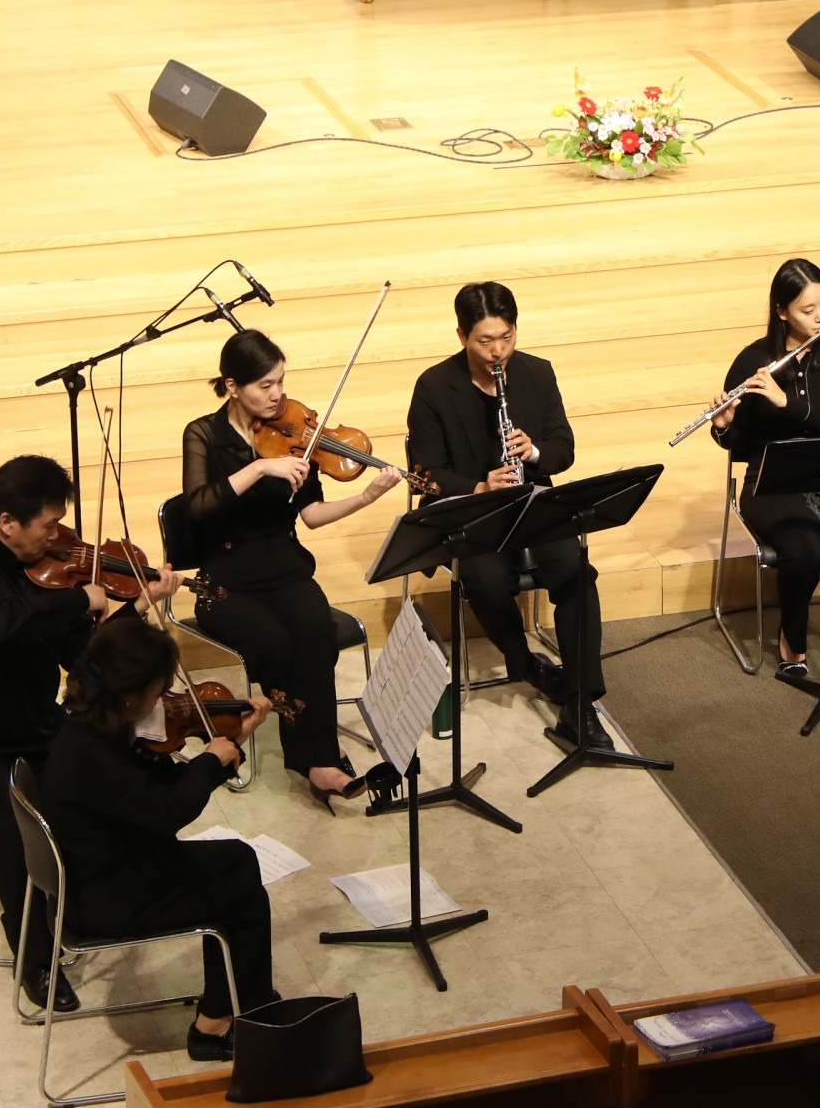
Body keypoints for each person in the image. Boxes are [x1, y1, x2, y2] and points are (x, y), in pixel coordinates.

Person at [0, 453, 181, 1010]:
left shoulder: (44, 573)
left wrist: (135, 606)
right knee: (23, 818)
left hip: (36, 730)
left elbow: (85, 658)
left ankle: (124, 895)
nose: (58, 538)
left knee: (119, 770)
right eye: (48, 525)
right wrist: (78, 598)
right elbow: (5, 623)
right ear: (6, 522)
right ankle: (34, 958)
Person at [182, 328, 407, 807]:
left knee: (315, 630)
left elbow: (312, 515)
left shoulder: (294, 434)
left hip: (284, 570)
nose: (277, 394)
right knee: (275, 644)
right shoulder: (203, 434)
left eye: (280, 381)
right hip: (224, 583)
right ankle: (320, 757)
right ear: (231, 386)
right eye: (264, 385)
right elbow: (197, 506)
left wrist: (366, 497)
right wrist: (260, 468)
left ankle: (316, 758)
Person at [40, 611, 279, 1061]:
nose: (163, 701)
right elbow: (168, 811)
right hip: (107, 898)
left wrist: (230, 743)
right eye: (158, 691)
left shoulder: (92, 720)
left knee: (238, 859)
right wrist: (210, 760)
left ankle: (242, 996)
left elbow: (154, 788)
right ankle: (214, 1029)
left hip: (109, 864)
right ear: (130, 694)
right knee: (240, 895)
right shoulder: (91, 754)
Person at [405, 281, 608, 744]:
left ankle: (580, 703)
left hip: (532, 503)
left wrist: (533, 451)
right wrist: (479, 486)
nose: (498, 351)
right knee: (486, 580)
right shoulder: (434, 386)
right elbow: (424, 472)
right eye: (485, 341)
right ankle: (523, 661)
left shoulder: (537, 373)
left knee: (576, 572)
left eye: (507, 337)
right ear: (462, 336)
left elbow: (563, 448)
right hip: (471, 514)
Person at [708, 258, 820, 679]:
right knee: (802, 552)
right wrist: (724, 427)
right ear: (782, 311)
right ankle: (792, 636)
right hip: (772, 480)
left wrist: (786, 402)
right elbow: (740, 445)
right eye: (808, 310)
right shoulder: (754, 360)